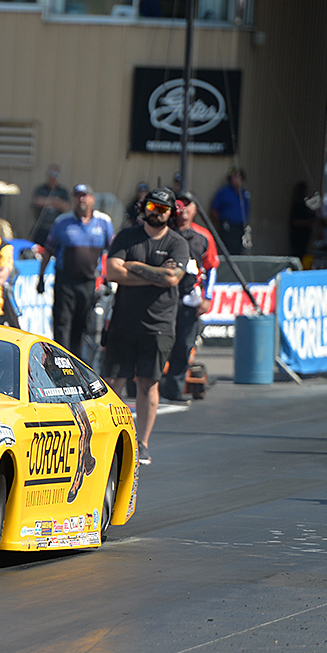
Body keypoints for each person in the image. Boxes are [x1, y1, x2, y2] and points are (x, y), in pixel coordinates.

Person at [102, 187, 187, 467]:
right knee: (113, 381)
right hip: (124, 322)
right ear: (144, 208)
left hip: (159, 325)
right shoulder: (127, 236)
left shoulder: (178, 243)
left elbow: (173, 279)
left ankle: (142, 443)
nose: (157, 213)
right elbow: (113, 271)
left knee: (147, 383)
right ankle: (110, 438)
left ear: (170, 213)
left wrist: (134, 266)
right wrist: (155, 275)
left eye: (163, 209)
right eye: (152, 207)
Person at [37, 183, 115, 357]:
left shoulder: (104, 222)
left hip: (88, 281)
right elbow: (48, 250)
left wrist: (109, 279)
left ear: (92, 199)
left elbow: (112, 252)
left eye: (85, 195)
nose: (81, 199)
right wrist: (40, 277)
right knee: (62, 323)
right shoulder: (62, 222)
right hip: (65, 280)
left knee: (82, 326)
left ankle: (76, 364)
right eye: (78, 195)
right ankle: (59, 360)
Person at [160, 190, 219, 402]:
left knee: (184, 344)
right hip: (164, 299)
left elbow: (212, 267)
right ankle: (154, 384)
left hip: (190, 299)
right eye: (179, 205)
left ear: (195, 209)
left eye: (188, 205)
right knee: (161, 341)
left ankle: (175, 388)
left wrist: (208, 297)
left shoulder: (203, 236)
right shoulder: (164, 232)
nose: (183, 210)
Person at [209, 167, 251, 254]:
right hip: (227, 227)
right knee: (227, 249)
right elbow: (214, 210)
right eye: (234, 177)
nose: (237, 180)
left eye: (239, 177)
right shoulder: (223, 192)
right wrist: (220, 223)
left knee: (238, 250)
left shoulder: (244, 194)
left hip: (240, 227)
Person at [30, 164, 70, 245]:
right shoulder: (40, 189)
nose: (53, 177)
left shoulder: (62, 191)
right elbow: (37, 201)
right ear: (47, 175)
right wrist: (54, 201)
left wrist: (46, 201)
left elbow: (66, 206)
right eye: (51, 174)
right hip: (41, 226)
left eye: (56, 175)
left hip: (56, 227)